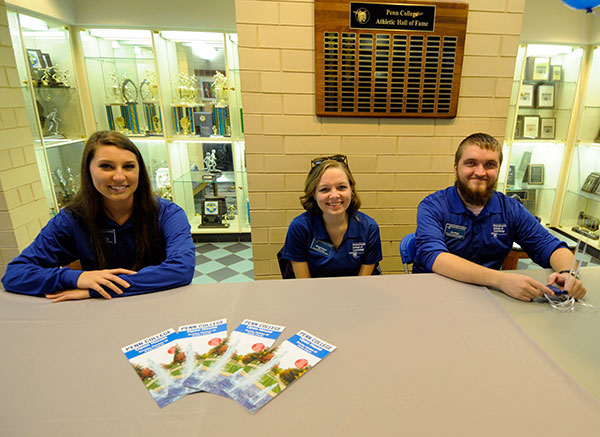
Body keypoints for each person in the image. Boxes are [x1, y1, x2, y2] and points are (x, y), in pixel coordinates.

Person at [1, 131, 195, 302]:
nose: (119, 176)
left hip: (158, 304)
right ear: (89, 170)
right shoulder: (72, 219)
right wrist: (76, 278)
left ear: (140, 172)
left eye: (128, 166)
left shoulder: (168, 214)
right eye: (107, 166)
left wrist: (99, 290)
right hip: (99, 313)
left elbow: (182, 269)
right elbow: (15, 274)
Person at [413, 132, 587, 302]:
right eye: (471, 163)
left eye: (490, 165)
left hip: (488, 297)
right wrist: (501, 280)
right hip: (434, 295)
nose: (480, 172)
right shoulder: (433, 206)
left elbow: (549, 246)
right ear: (456, 167)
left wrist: (568, 273)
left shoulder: (510, 209)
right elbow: (435, 257)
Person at [282, 155, 382, 278]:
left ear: (351, 189)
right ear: (313, 193)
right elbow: (304, 285)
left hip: (355, 292)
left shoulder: (369, 228)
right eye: (324, 189)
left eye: (342, 187)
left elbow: (362, 282)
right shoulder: (299, 227)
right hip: (313, 293)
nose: (334, 195)